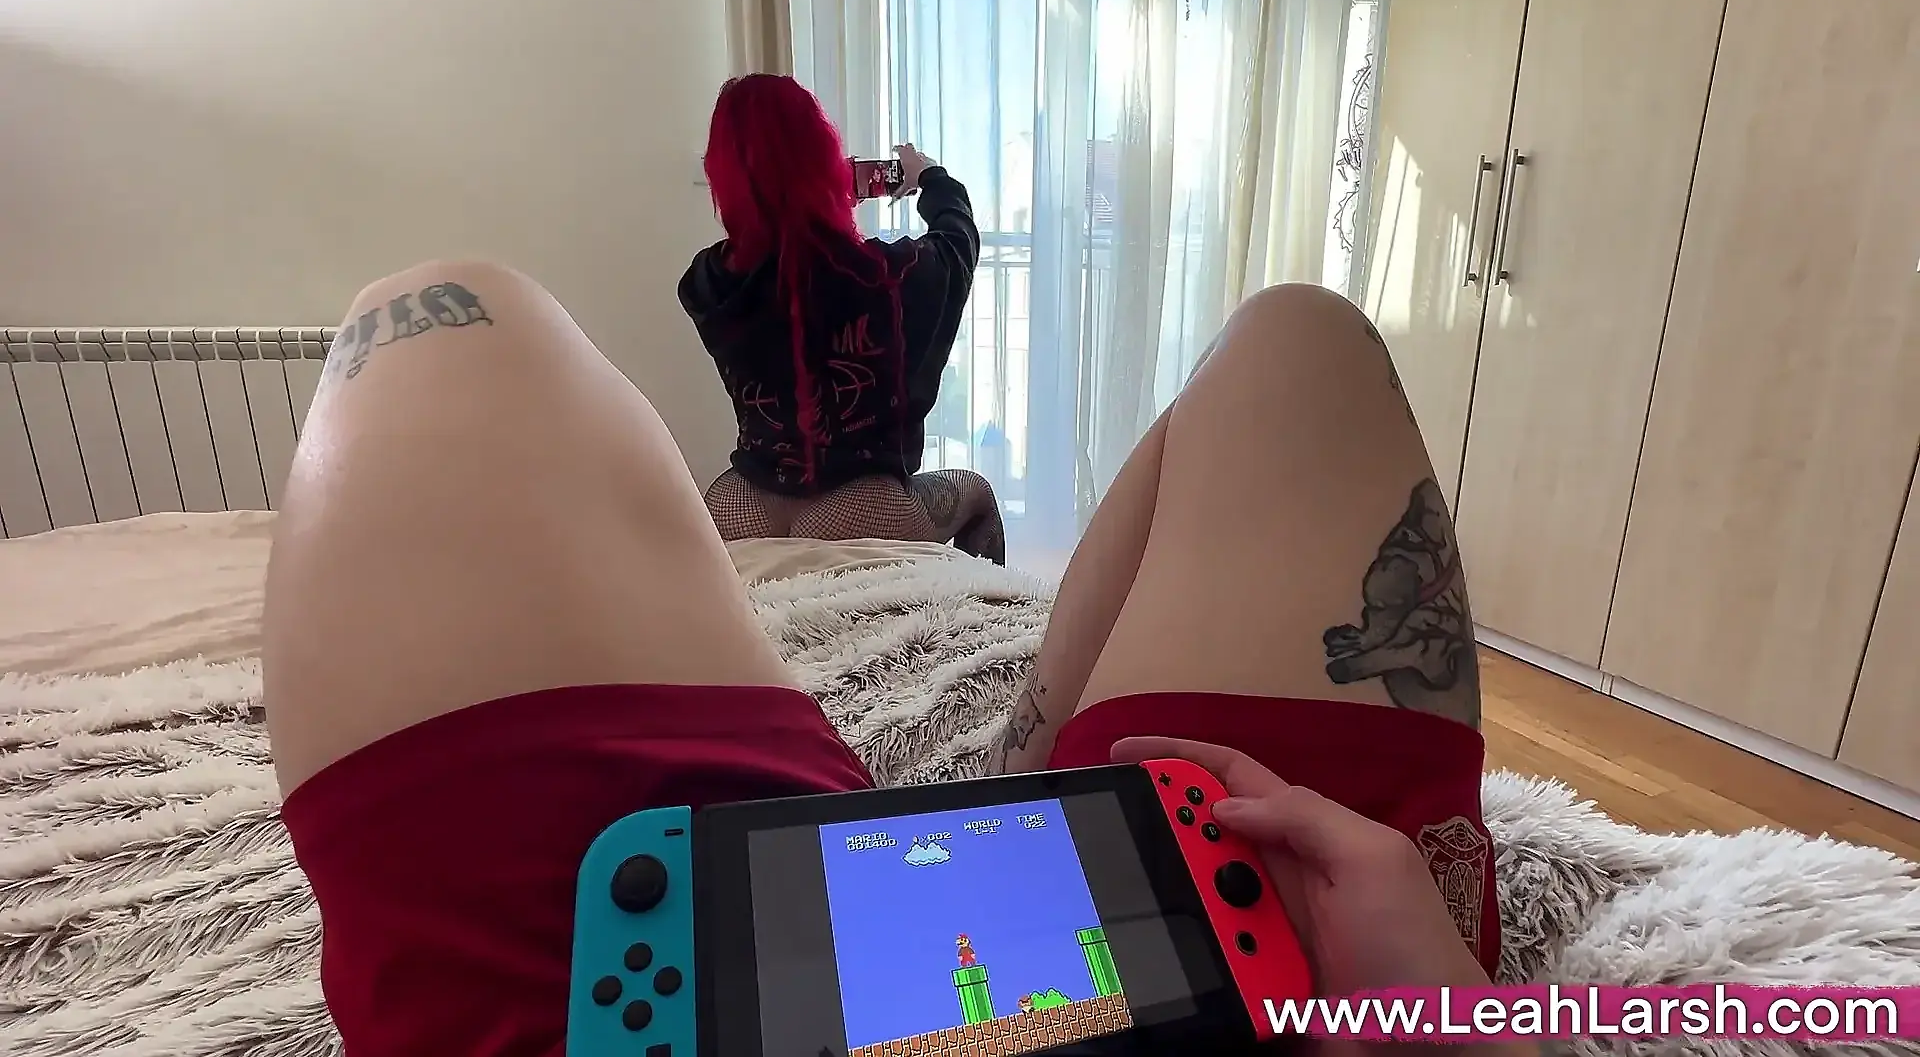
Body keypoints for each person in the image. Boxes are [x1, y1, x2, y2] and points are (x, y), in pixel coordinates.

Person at [267, 259, 1506, 1057]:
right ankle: (1033, 798)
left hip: (624, 974)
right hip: (1285, 1003)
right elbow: (944, 279)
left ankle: (1031, 788)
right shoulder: (893, 262)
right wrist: (1466, 1024)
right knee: (1288, 347)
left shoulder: (722, 274)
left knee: (437, 310)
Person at [679, 74, 1004, 563]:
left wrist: (813, 198)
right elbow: (956, 243)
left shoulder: (707, 281)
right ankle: (983, 607)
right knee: (978, 494)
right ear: (823, 163)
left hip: (743, 501)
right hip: (859, 503)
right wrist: (930, 176)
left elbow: (783, 263)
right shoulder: (884, 276)